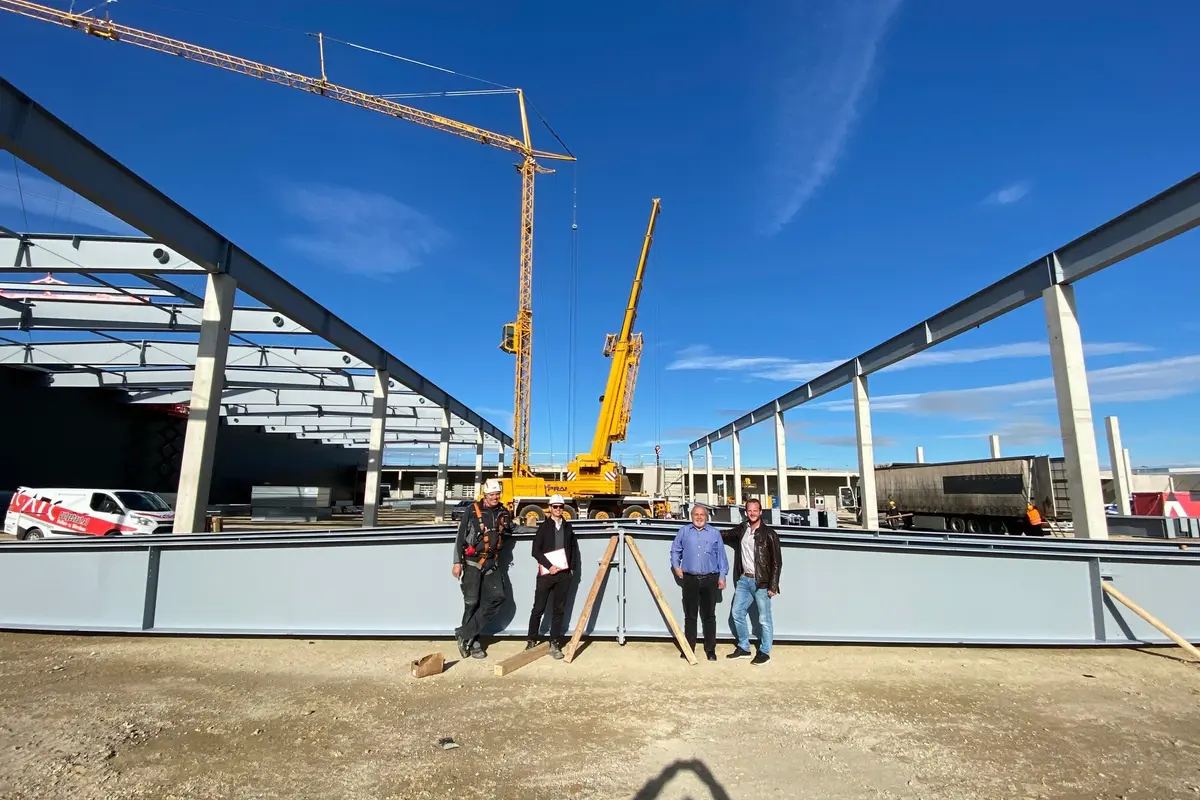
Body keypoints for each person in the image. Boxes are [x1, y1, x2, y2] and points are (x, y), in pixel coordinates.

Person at [452, 478, 512, 660]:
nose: (495, 497)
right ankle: (473, 641)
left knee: (497, 597)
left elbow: (510, 529)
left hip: (491, 562)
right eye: (492, 494)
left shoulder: (503, 512)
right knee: (472, 602)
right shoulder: (472, 510)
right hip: (472, 561)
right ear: (485, 495)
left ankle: (465, 633)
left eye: (497, 494)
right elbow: (461, 535)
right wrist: (457, 562)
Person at [720, 498, 781, 665]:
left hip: (762, 582)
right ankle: (744, 647)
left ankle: (764, 651)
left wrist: (773, 585)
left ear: (761, 512)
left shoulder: (769, 534)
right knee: (737, 613)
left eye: (755, 510)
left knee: (764, 619)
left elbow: (777, 562)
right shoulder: (743, 529)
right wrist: (707, 531)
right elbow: (725, 534)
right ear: (745, 512)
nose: (752, 513)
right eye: (749, 510)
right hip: (744, 580)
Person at [669, 504, 728, 661]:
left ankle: (710, 650)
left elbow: (721, 556)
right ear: (691, 516)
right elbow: (675, 550)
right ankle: (689, 648)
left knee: (709, 616)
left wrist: (722, 576)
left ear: (706, 516)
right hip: (690, 579)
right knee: (690, 616)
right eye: (696, 514)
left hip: (710, 579)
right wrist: (676, 566)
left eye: (702, 514)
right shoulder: (684, 531)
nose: (699, 517)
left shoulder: (715, 533)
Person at [526, 494, 576, 659]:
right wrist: (549, 566)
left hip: (563, 576)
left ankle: (554, 642)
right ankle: (531, 640)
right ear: (549, 508)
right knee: (538, 608)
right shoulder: (543, 528)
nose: (558, 509)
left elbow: (574, 550)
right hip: (546, 575)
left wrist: (572, 570)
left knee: (558, 610)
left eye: (560, 507)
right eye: (555, 506)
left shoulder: (568, 528)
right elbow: (535, 551)